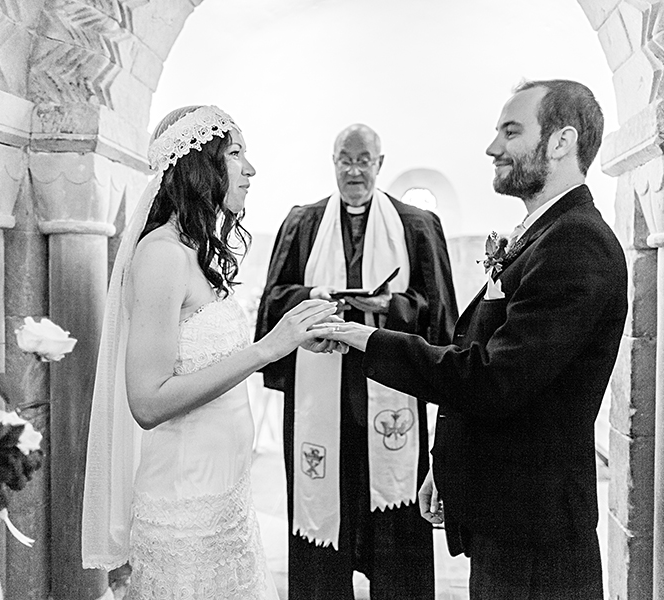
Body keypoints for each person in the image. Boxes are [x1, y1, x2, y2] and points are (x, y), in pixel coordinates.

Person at [314, 80, 628, 600]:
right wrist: (449, 464)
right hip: (509, 514)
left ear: (561, 141)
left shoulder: (575, 242)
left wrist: (366, 339)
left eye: (510, 131)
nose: (492, 147)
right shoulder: (542, 233)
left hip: (535, 533)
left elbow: (492, 379)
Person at [81, 105, 339, 600]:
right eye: (236, 153)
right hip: (185, 517)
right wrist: (267, 349)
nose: (251, 169)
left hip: (225, 504)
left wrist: (296, 339)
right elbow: (148, 402)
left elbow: (207, 357)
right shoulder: (159, 255)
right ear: (198, 166)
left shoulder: (196, 251)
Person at [254, 123, 458, 599]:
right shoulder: (302, 223)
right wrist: (314, 296)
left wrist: (392, 307)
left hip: (389, 399)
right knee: (321, 517)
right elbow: (272, 305)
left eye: (364, 160)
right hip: (320, 402)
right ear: (333, 163)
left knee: (396, 525)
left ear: (380, 165)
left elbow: (442, 314)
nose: (354, 170)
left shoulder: (417, 224)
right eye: (345, 160)